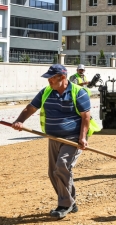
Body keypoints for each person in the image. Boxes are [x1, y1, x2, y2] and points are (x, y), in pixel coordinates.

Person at [11, 64, 94, 219]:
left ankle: (64, 205)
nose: (49, 81)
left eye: (51, 78)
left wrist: (82, 137)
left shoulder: (78, 92)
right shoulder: (46, 92)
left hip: (73, 137)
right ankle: (70, 201)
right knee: (53, 172)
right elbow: (30, 108)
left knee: (62, 166)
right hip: (53, 138)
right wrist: (19, 121)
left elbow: (86, 117)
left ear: (62, 78)